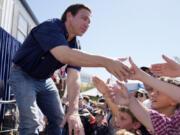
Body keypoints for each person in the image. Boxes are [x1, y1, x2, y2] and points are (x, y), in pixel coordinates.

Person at [9, 4, 131, 135]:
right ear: (69, 16)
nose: (87, 24)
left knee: (59, 119)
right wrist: (106, 61)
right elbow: (64, 55)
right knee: (31, 121)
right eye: (84, 18)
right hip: (23, 74)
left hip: (44, 80)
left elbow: (74, 77)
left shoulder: (76, 44)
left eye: (89, 22)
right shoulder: (51, 26)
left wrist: (73, 110)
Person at [92, 57, 180, 135]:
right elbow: (161, 125)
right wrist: (130, 100)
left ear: (174, 100)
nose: (152, 95)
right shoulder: (171, 125)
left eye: (159, 92)